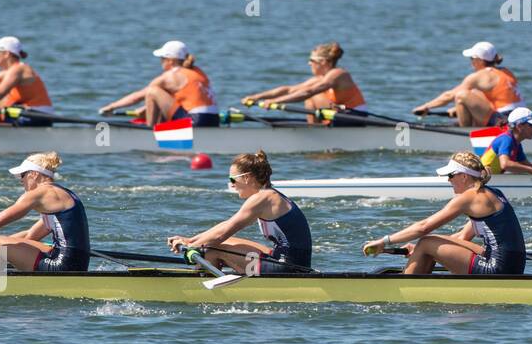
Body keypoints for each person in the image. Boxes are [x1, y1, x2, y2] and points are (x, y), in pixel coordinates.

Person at [362, 151, 526, 275]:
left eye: (450, 175)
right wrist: (419, 249)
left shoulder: (470, 197)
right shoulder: (492, 192)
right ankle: (419, 269)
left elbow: (423, 227)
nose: (448, 180)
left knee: (426, 241)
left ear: (463, 176)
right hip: (513, 265)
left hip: (497, 268)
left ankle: (404, 290)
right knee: (427, 245)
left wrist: (384, 241)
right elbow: (462, 238)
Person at [167, 151, 312, 274]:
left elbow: (221, 235)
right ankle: (209, 278)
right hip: (285, 258)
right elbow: (227, 225)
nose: (231, 185)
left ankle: (203, 291)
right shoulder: (268, 194)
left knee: (212, 248)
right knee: (217, 244)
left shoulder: (263, 198)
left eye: (233, 179)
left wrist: (193, 247)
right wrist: (191, 241)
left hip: (290, 267)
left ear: (247, 178)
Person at [0, 152, 89, 272]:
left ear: (34, 174)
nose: (20, 181)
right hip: (76, 262)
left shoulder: (42, 193)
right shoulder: (60, 193)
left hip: (63, 266)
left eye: (22, 175)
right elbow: (30, 235)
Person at [99, 40, 219, 127]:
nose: (161, 62)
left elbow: (137, 96)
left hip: (195, 121)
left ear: (170, 60)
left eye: (162, 59)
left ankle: (150, 131)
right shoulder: (197, 72)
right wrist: (146, 108)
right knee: (156, 98)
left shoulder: (171, 76)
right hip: (213, 120)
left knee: (152, 92)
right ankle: (157, 125)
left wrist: (111, 107)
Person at [242, 41, 367, 124]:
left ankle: (316, 132)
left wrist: (275, 101)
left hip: (355, 117)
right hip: (341, 116)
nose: (309, 63)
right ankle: (317, 131)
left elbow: (309, 92)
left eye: (311, 60)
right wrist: (256, 97)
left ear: (323, 62)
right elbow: (289, 89)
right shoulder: (320, 78)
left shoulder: (338, 74)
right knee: (307, 95)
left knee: (311, 97)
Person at [412, 42, 523, 127]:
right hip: (518, 116)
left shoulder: (479, 76)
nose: (471, 62)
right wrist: (459, 109)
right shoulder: (505, 71)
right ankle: (465, 123)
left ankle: (465, 135)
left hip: (503, 119)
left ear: (480, 60)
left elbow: (449, 96)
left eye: (472, 59)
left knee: (461, 96)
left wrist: (426, 106)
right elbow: (487, 98)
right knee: (474, 93)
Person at [480, 107, 532, 174]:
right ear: (519, 126)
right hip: (480, 178)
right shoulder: (506, 139)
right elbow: (505, 164)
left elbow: (525, 164)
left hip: (492, 177)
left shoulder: (517, 143)